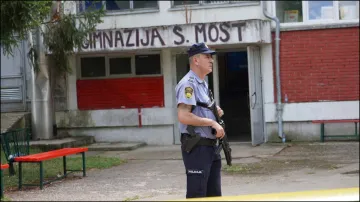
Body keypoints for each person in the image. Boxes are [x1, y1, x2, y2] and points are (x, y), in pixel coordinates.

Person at [175, 42, 225, 198]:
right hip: (197, 148)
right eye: (207, 56)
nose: (211, 60)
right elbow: (184, 116)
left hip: (210, 147)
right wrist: (212, 123)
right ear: (196, 60)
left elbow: (199, 109)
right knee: (197, 195)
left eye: (211, 57)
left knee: (214, 195)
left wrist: (214, 112)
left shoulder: (202, 84)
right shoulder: (188, 85)